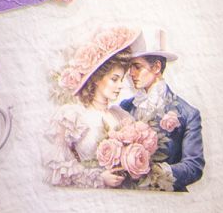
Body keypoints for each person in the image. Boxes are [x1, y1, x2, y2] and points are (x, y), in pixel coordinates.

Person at [43, 29, 140, 189]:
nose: (120, 85)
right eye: (114, 79)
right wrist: (99, 178)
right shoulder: (73, 116)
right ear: (96, 79)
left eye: (121, 79)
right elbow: (59, 169)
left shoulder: (120, 116)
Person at [120, 32, 205, 192]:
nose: (131, 73)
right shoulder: (124, 107)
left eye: (137, 67)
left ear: (157, 67)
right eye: (130, 67)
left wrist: (159, 171)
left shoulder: (187, 113)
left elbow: (194, 166)